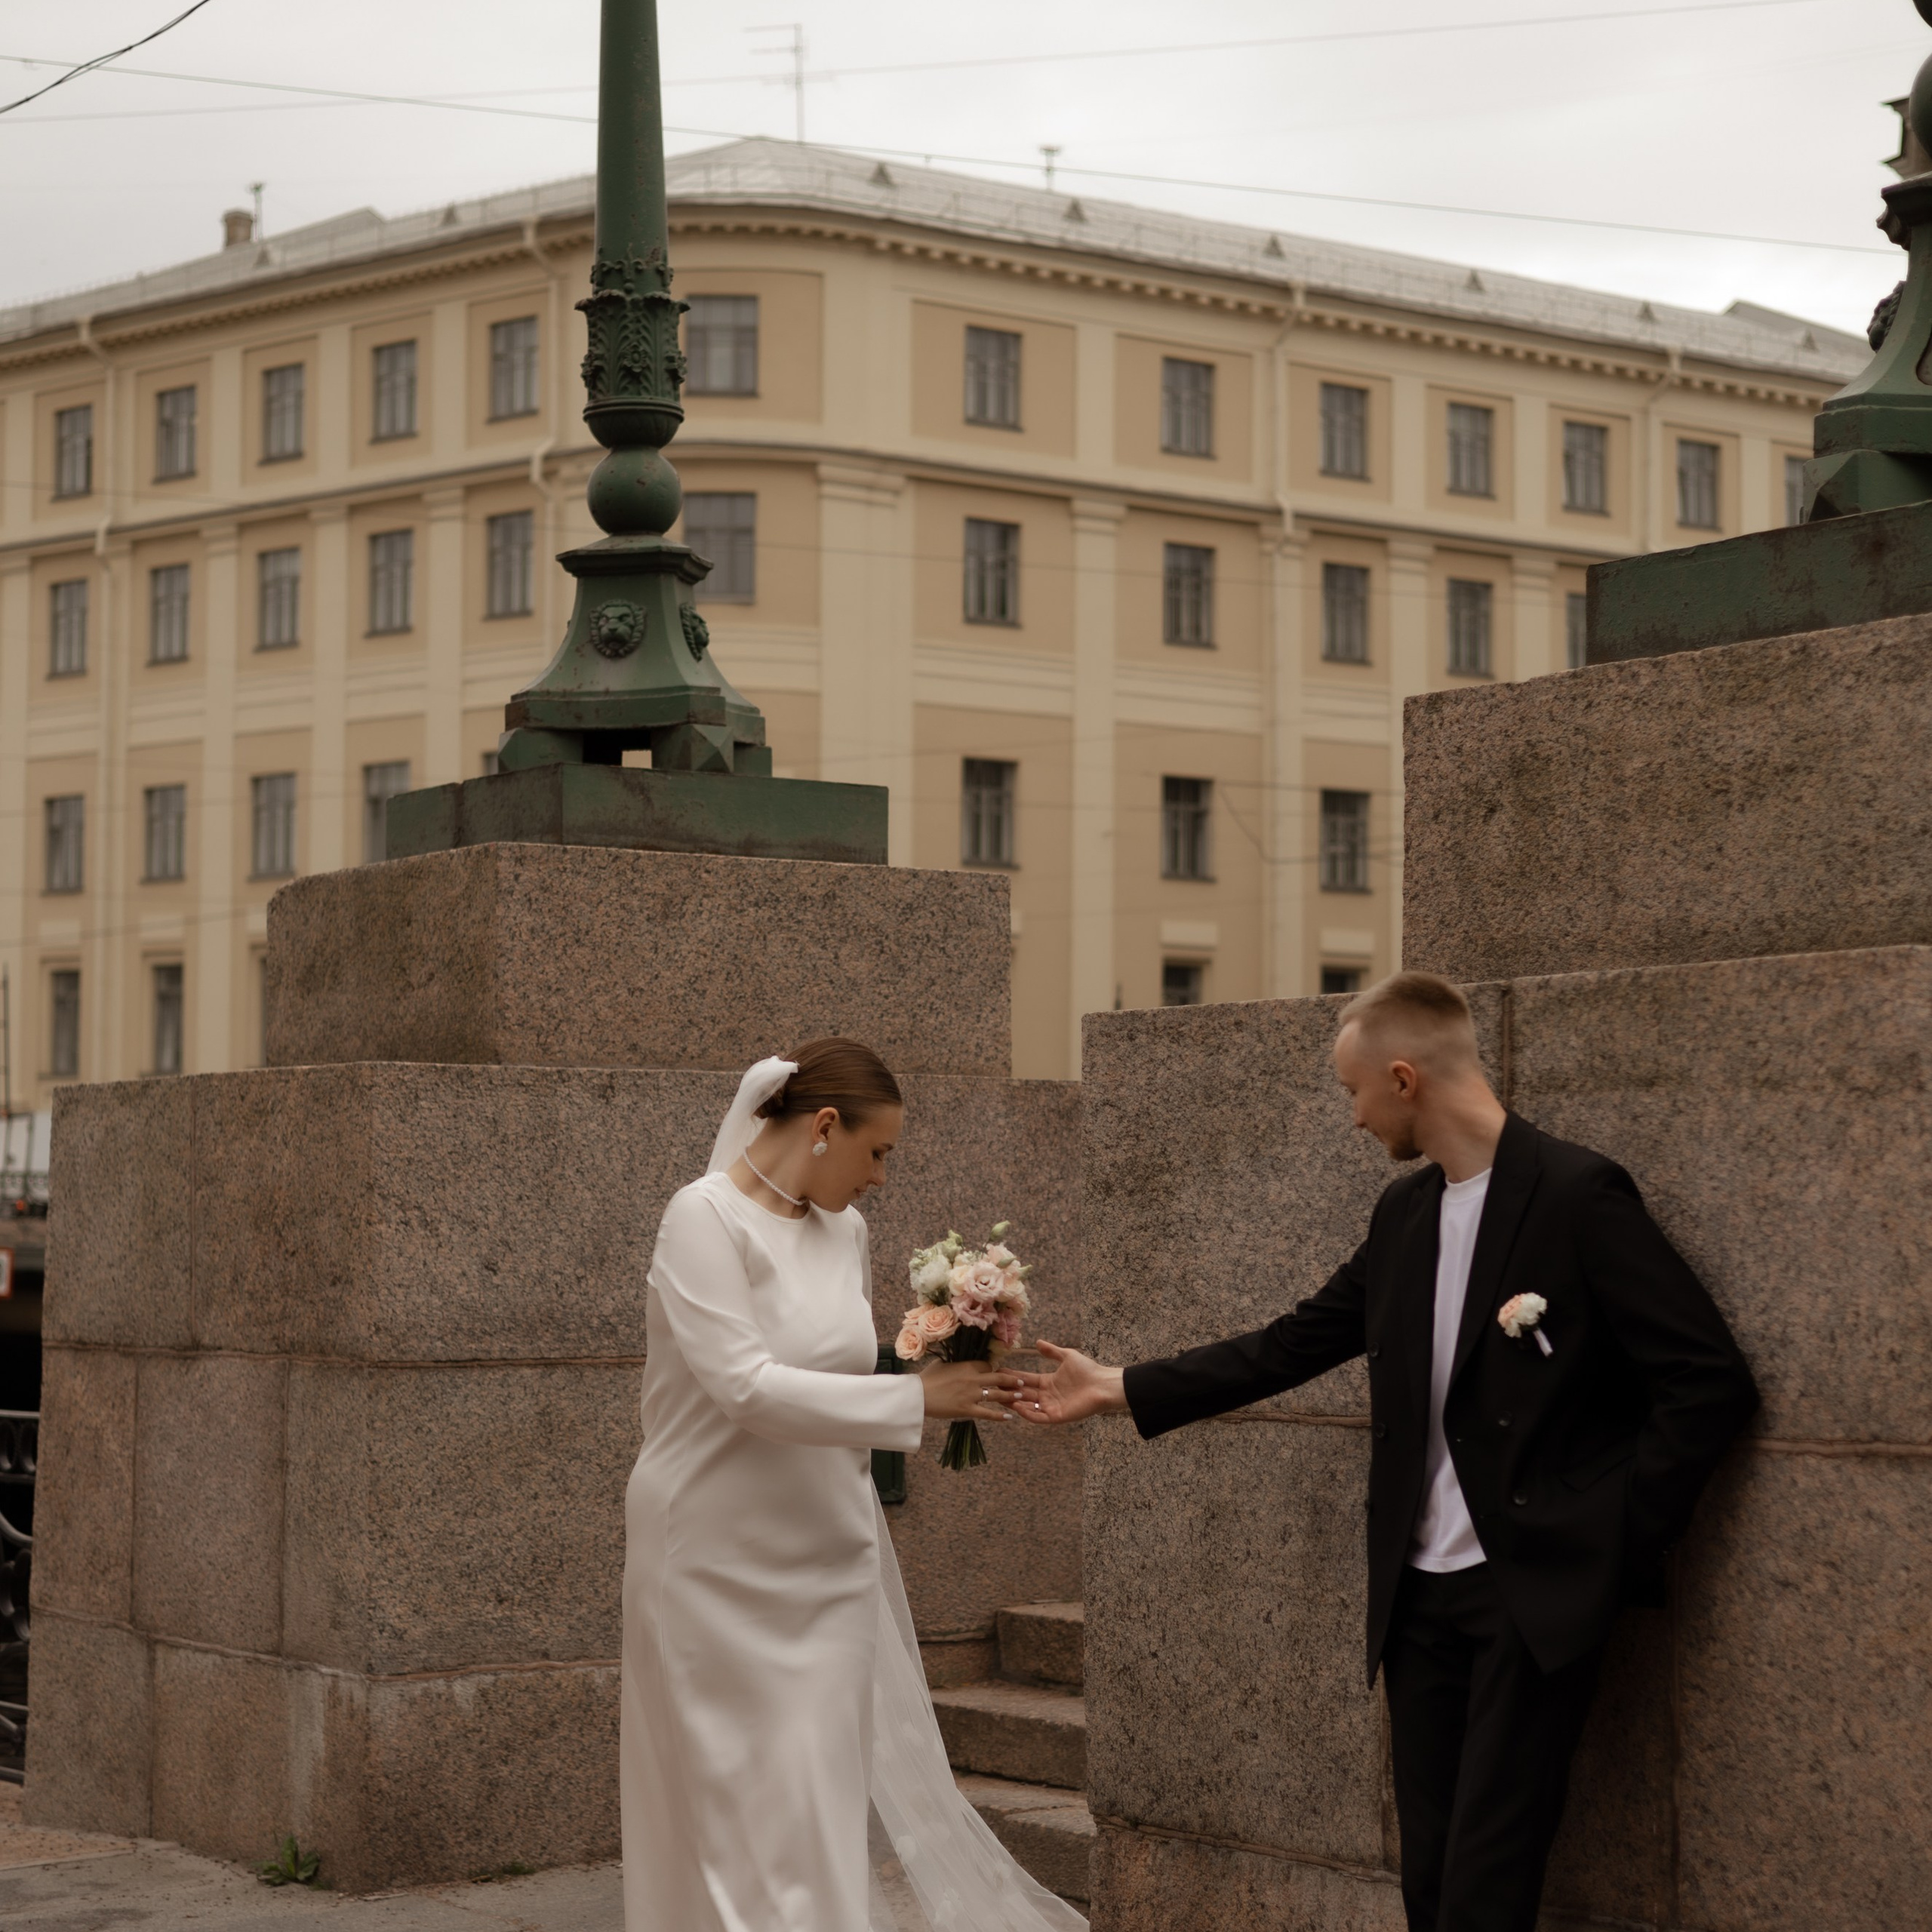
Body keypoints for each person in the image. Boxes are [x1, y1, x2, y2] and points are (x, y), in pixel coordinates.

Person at [1004, 972, 1759, 1932]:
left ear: (1403, 1078)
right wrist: (1119, 1387)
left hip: (1532, 1591)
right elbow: (1292, 1342)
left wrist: (1606, 1536)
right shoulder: (1404, 1218)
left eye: (1353, 1091)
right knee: (1433, 1879)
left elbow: (1707, 1380)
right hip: (1418, 1599)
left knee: (1489, 1880)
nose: (1353, 1118)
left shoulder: (1576, 1194)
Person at [621, 1036, 1088, 1932]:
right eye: (877, 1152)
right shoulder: (702, 1218)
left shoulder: (846, 1230)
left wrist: (952, 1365)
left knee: (819, 1810)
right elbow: (744, 1386)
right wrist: (909, 1397)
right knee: (730, 1816)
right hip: (713, 1562)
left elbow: (836, 1368)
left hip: (829, 1558)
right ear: (824, 1127)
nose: (881, 1177)